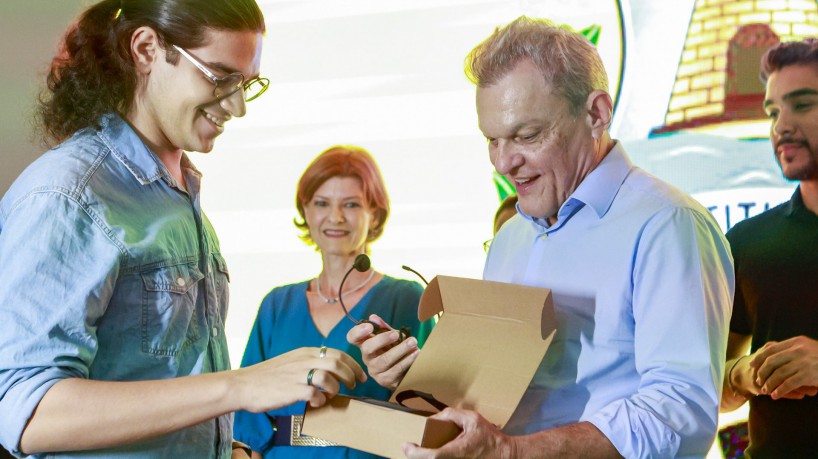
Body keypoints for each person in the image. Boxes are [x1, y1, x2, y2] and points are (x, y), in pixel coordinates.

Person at [348, 16, 734, 458]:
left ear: (596, 113)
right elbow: (495, 400)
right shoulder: (511, 238)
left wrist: (512, 452)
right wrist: (416, 378)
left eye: (526, 135)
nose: (503, 162)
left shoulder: (669, 226)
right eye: (491, 140)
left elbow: (678, 415)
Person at [0, 1, 365, 457]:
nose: (237, 106)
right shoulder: (67, 195)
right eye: (219, 77)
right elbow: (25, 411)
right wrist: (239, 387)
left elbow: (156, 384)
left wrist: (222, 446)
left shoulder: (179, 198)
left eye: (247, 85)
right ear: (147, 49)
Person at [233, 146, 434, 458]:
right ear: (306, 211)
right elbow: (247, 418)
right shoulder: (276, 305)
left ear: (374, 214)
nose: (335, 217)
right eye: (322, 203)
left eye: (351, 204)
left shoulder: (406, 297)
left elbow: (430, 405)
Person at [720, 38, 818, 457]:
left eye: (803, 104)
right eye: (773, 112)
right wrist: (743, 374)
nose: (781, 125)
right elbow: (701, 383)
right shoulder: (747, 242)